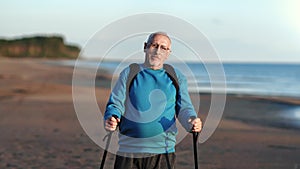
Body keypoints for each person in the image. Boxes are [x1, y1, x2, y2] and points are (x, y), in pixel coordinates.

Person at [104, 32, 202, 169]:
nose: (157, 51)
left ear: (168, 53)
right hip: (129, 150)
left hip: (163, 151)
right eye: (154, 45)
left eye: (163, 48)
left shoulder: (175, 76)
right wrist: (112, 117)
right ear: (145, 47)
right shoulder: (130, 72)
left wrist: (191, 121)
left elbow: (184, 108)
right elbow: (116, 103)